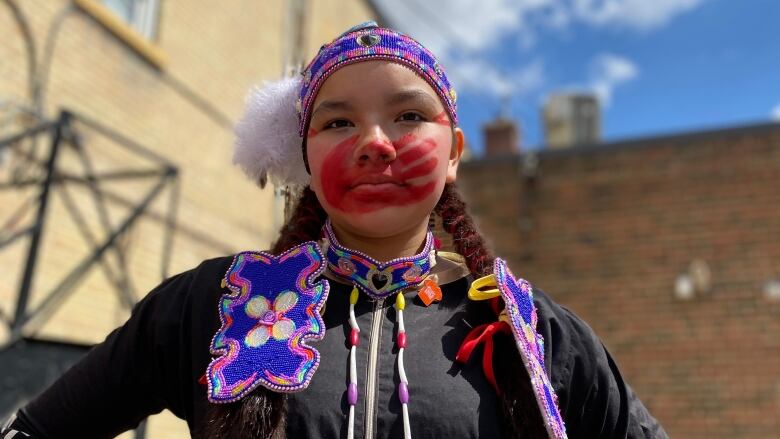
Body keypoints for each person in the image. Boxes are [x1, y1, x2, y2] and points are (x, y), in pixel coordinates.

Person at [1, 22, 667, 439]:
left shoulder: (536, 335)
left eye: (409, 116)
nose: (376, 142)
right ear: (309, 156)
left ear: (456, 150)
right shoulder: (210, 306)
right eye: (339, 122)